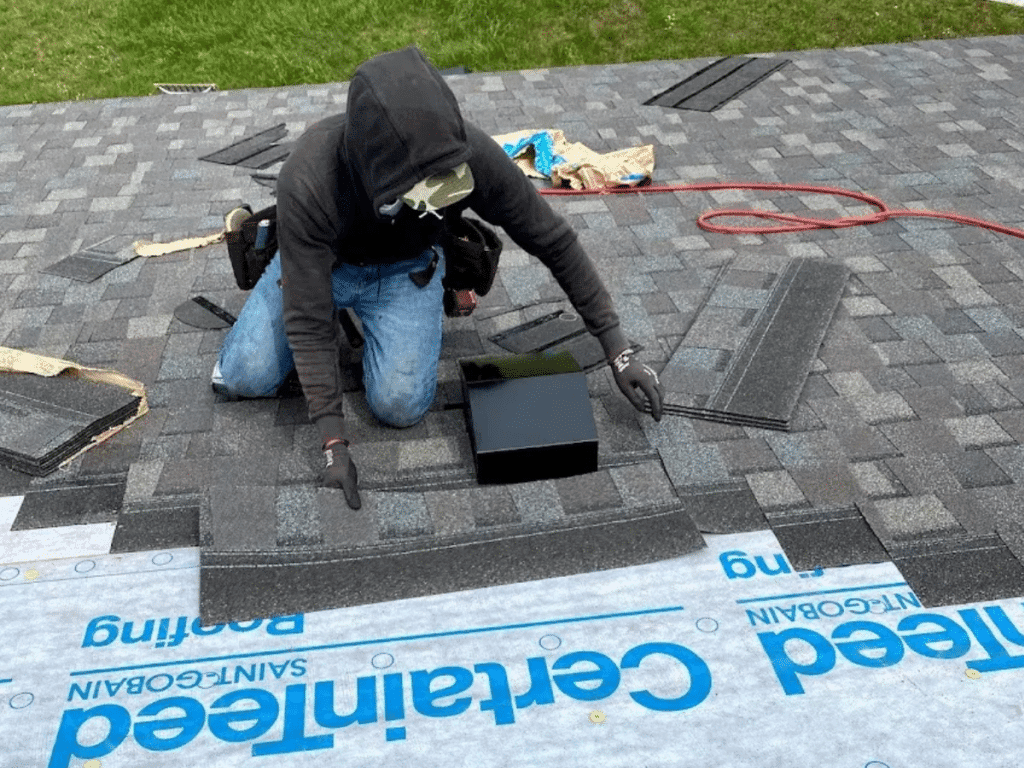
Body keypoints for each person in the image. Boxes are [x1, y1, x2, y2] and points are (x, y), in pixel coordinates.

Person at [212, 46, 663, 510]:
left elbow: (553, 240)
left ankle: (405, 301)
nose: (447, 184)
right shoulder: (310, 178)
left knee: (400, 406)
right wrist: (333, 443)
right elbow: (306, 322)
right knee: (246, 376)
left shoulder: (469, 153)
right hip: (320, 265)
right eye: (427, 182)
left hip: (406, 265)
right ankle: (300, 305)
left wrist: (618, 350)